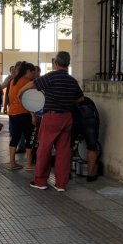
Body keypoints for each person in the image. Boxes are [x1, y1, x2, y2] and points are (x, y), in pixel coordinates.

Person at [19, 51, 84, 192]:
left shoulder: (51, 77)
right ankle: (61, 184)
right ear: (68, 64)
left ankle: (40, 181)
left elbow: (32, 84)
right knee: (63, 151)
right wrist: (67, 100)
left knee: (44, 149)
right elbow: (80, 98)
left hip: (51, 117)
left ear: (56, 63)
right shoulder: (72, 81)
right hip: (67, 118)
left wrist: (20, 92)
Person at [7, 62, 36, 170]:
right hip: (24, 113)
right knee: (29, 138)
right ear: (28, 71)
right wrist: (32, 114)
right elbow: (29, 101)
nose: (33, 75)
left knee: (15, 137)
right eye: (32, 73)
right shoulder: (27, 82)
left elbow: (10, 96)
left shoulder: (13, 81)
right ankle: (29, 164)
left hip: (13, 113)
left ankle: (12, 163)